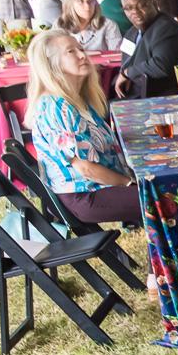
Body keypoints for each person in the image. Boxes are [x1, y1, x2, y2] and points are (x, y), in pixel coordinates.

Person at [26, 29, 138, 225]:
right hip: (85, 195)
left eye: (81, 49)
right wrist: (128, 183)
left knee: (163, 188)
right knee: (166, 198)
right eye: (71, 51)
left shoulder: (77, 99)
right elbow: (86, 169)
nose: (82, 55)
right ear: (51, 64)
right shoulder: (56, 106)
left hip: (101, 186)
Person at [114, 0, 178, 99]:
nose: (135, 11)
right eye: (128, 8)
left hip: (177, 95)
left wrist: (127, 73)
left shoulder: (165, 28)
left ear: (154, 3)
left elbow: (161, 65)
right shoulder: (132, 32)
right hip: (143, 91)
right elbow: (127, 61)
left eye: (142, 5)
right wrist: (124, 73)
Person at [57, 0, 123, 52]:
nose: (87, 6)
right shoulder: (60, 24)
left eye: (90, 1)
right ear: (70, 5)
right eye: (81, 2)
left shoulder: (108, 24)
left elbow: (116, 54)